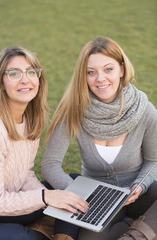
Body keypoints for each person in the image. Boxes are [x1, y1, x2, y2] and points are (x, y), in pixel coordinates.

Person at [42, 37, 157, 240]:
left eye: (108, 69)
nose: (100, 79)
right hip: (98, 199)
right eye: (91, 72)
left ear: (121, 70)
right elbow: (50, 165)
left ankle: (135, 234)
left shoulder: (144, 110)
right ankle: (142, 225)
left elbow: (154, 160)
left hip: (141, 194)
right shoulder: (73, 110)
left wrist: (139, 186)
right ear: (83, 76)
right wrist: (80, 193)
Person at [0, 46, 88, 240]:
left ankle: (62, 236)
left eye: (31, 72)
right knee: (22, 237)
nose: (25, 79)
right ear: (0, 82)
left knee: (72, 185)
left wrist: (50, 197)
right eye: (14, 73)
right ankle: (43, 229)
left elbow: (25, 173)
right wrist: (45, 198)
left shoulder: (30, 118)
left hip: (12, 200)